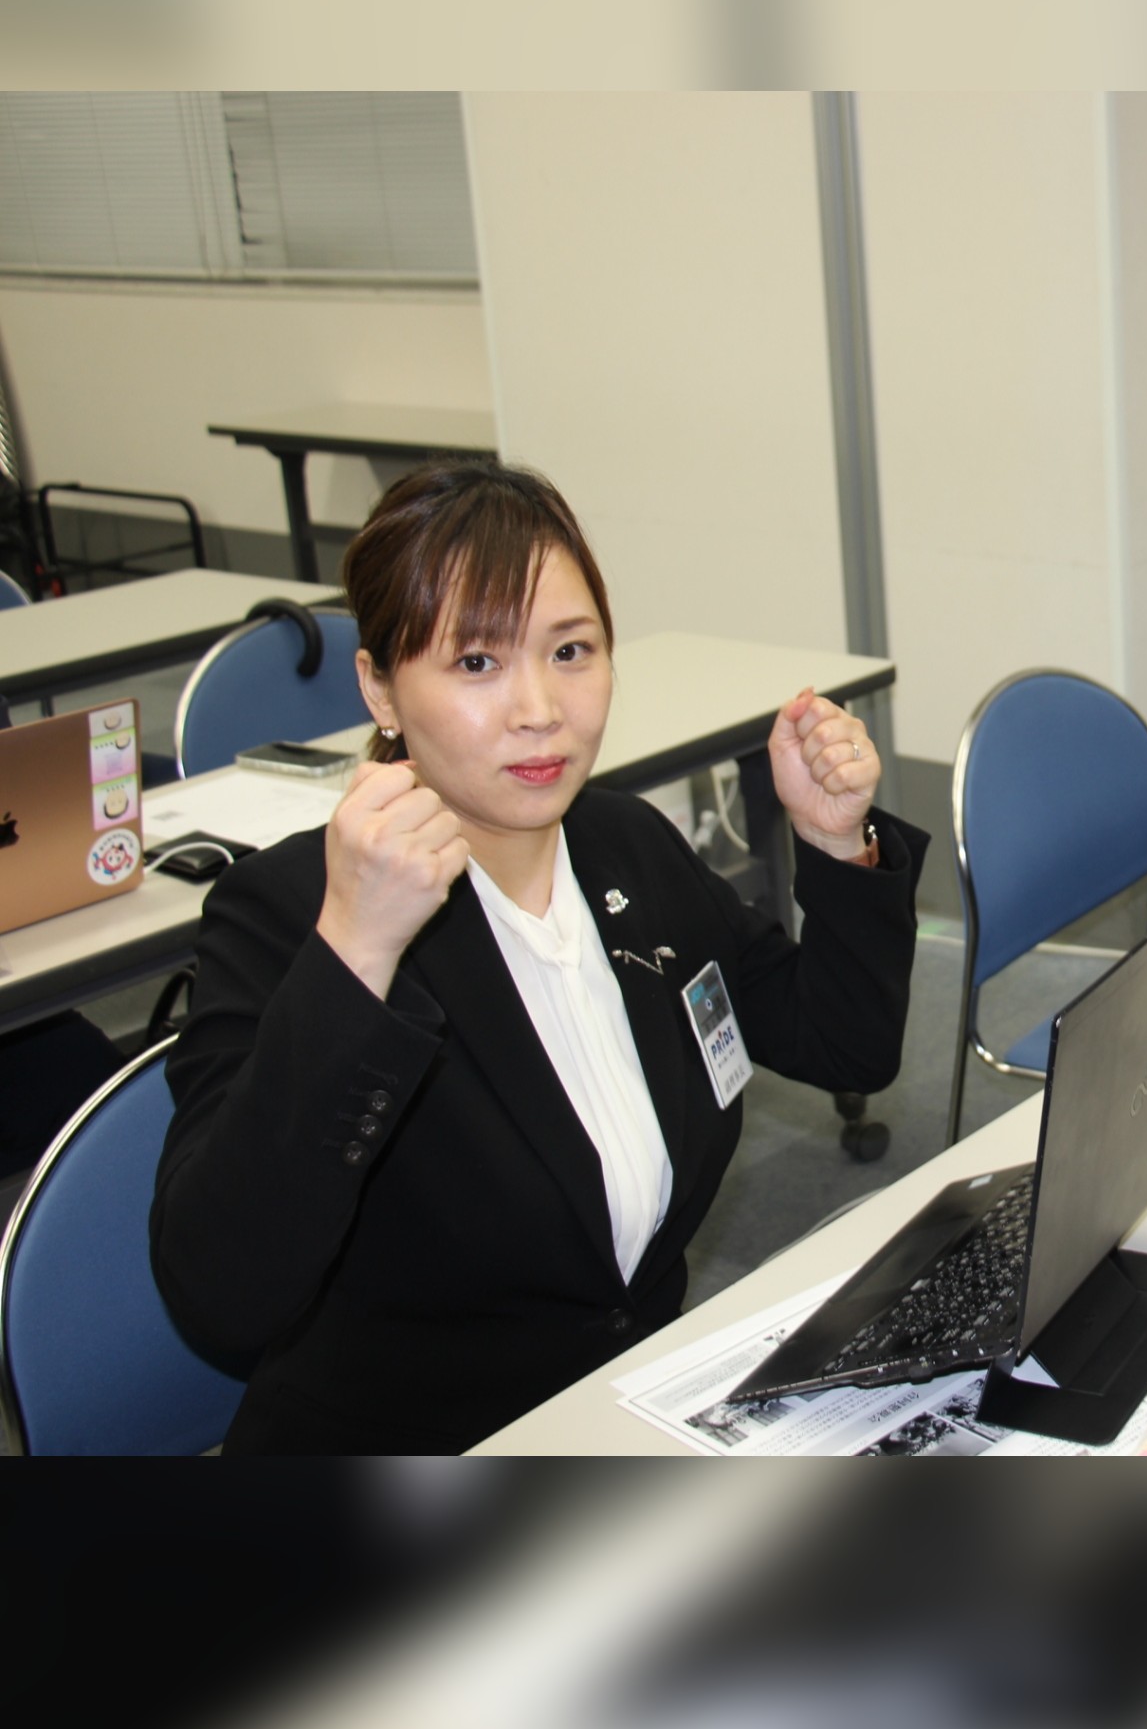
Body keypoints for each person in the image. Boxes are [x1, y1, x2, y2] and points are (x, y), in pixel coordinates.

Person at [152, 459, 925, 1453]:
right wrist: (356, 954)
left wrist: (835, 844)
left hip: (626, 1411)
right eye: (476, 661)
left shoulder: (626, 846)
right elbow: (221, 1294)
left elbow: (845, 1044)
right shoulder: (291, 911)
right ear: (380, 686)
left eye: (570, 650)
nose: (539, 707)